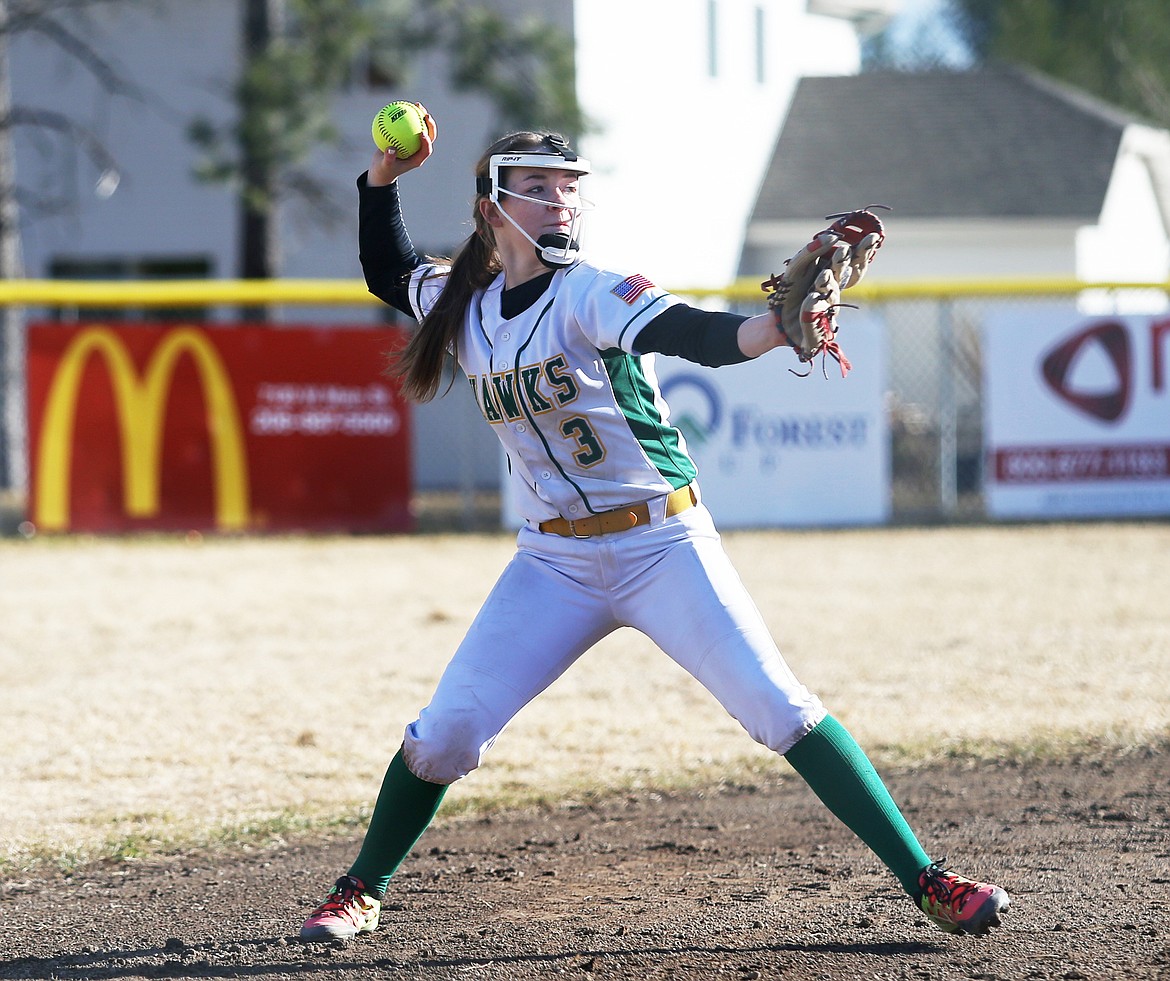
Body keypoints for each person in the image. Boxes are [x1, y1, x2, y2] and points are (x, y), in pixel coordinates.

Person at [299, 115, 1010, 942]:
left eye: (568, 187)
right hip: (552, 562)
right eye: (536, 187)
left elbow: (701, 336)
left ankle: (928, 879)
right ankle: (361, 887)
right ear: (493, 206)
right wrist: (383, 176)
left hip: (661, 544)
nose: (560, 202)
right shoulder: (469, 306)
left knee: (781, 708)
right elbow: (389, 271)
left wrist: (775, 328)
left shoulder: (592, 290)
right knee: (446, 733)